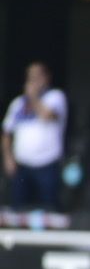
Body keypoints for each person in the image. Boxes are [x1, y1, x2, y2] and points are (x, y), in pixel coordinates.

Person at [2, 61, 67, 211]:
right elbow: (6, 132)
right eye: (31, 77)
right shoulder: (18, 103)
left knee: (49, 208)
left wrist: (33, 97)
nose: (34, 81)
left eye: (38, 76)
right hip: (22, 164)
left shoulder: (55, 97)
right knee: (17, 209)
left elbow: (46, 115)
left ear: (46, 78)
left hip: (47, 163)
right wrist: (7, 158)